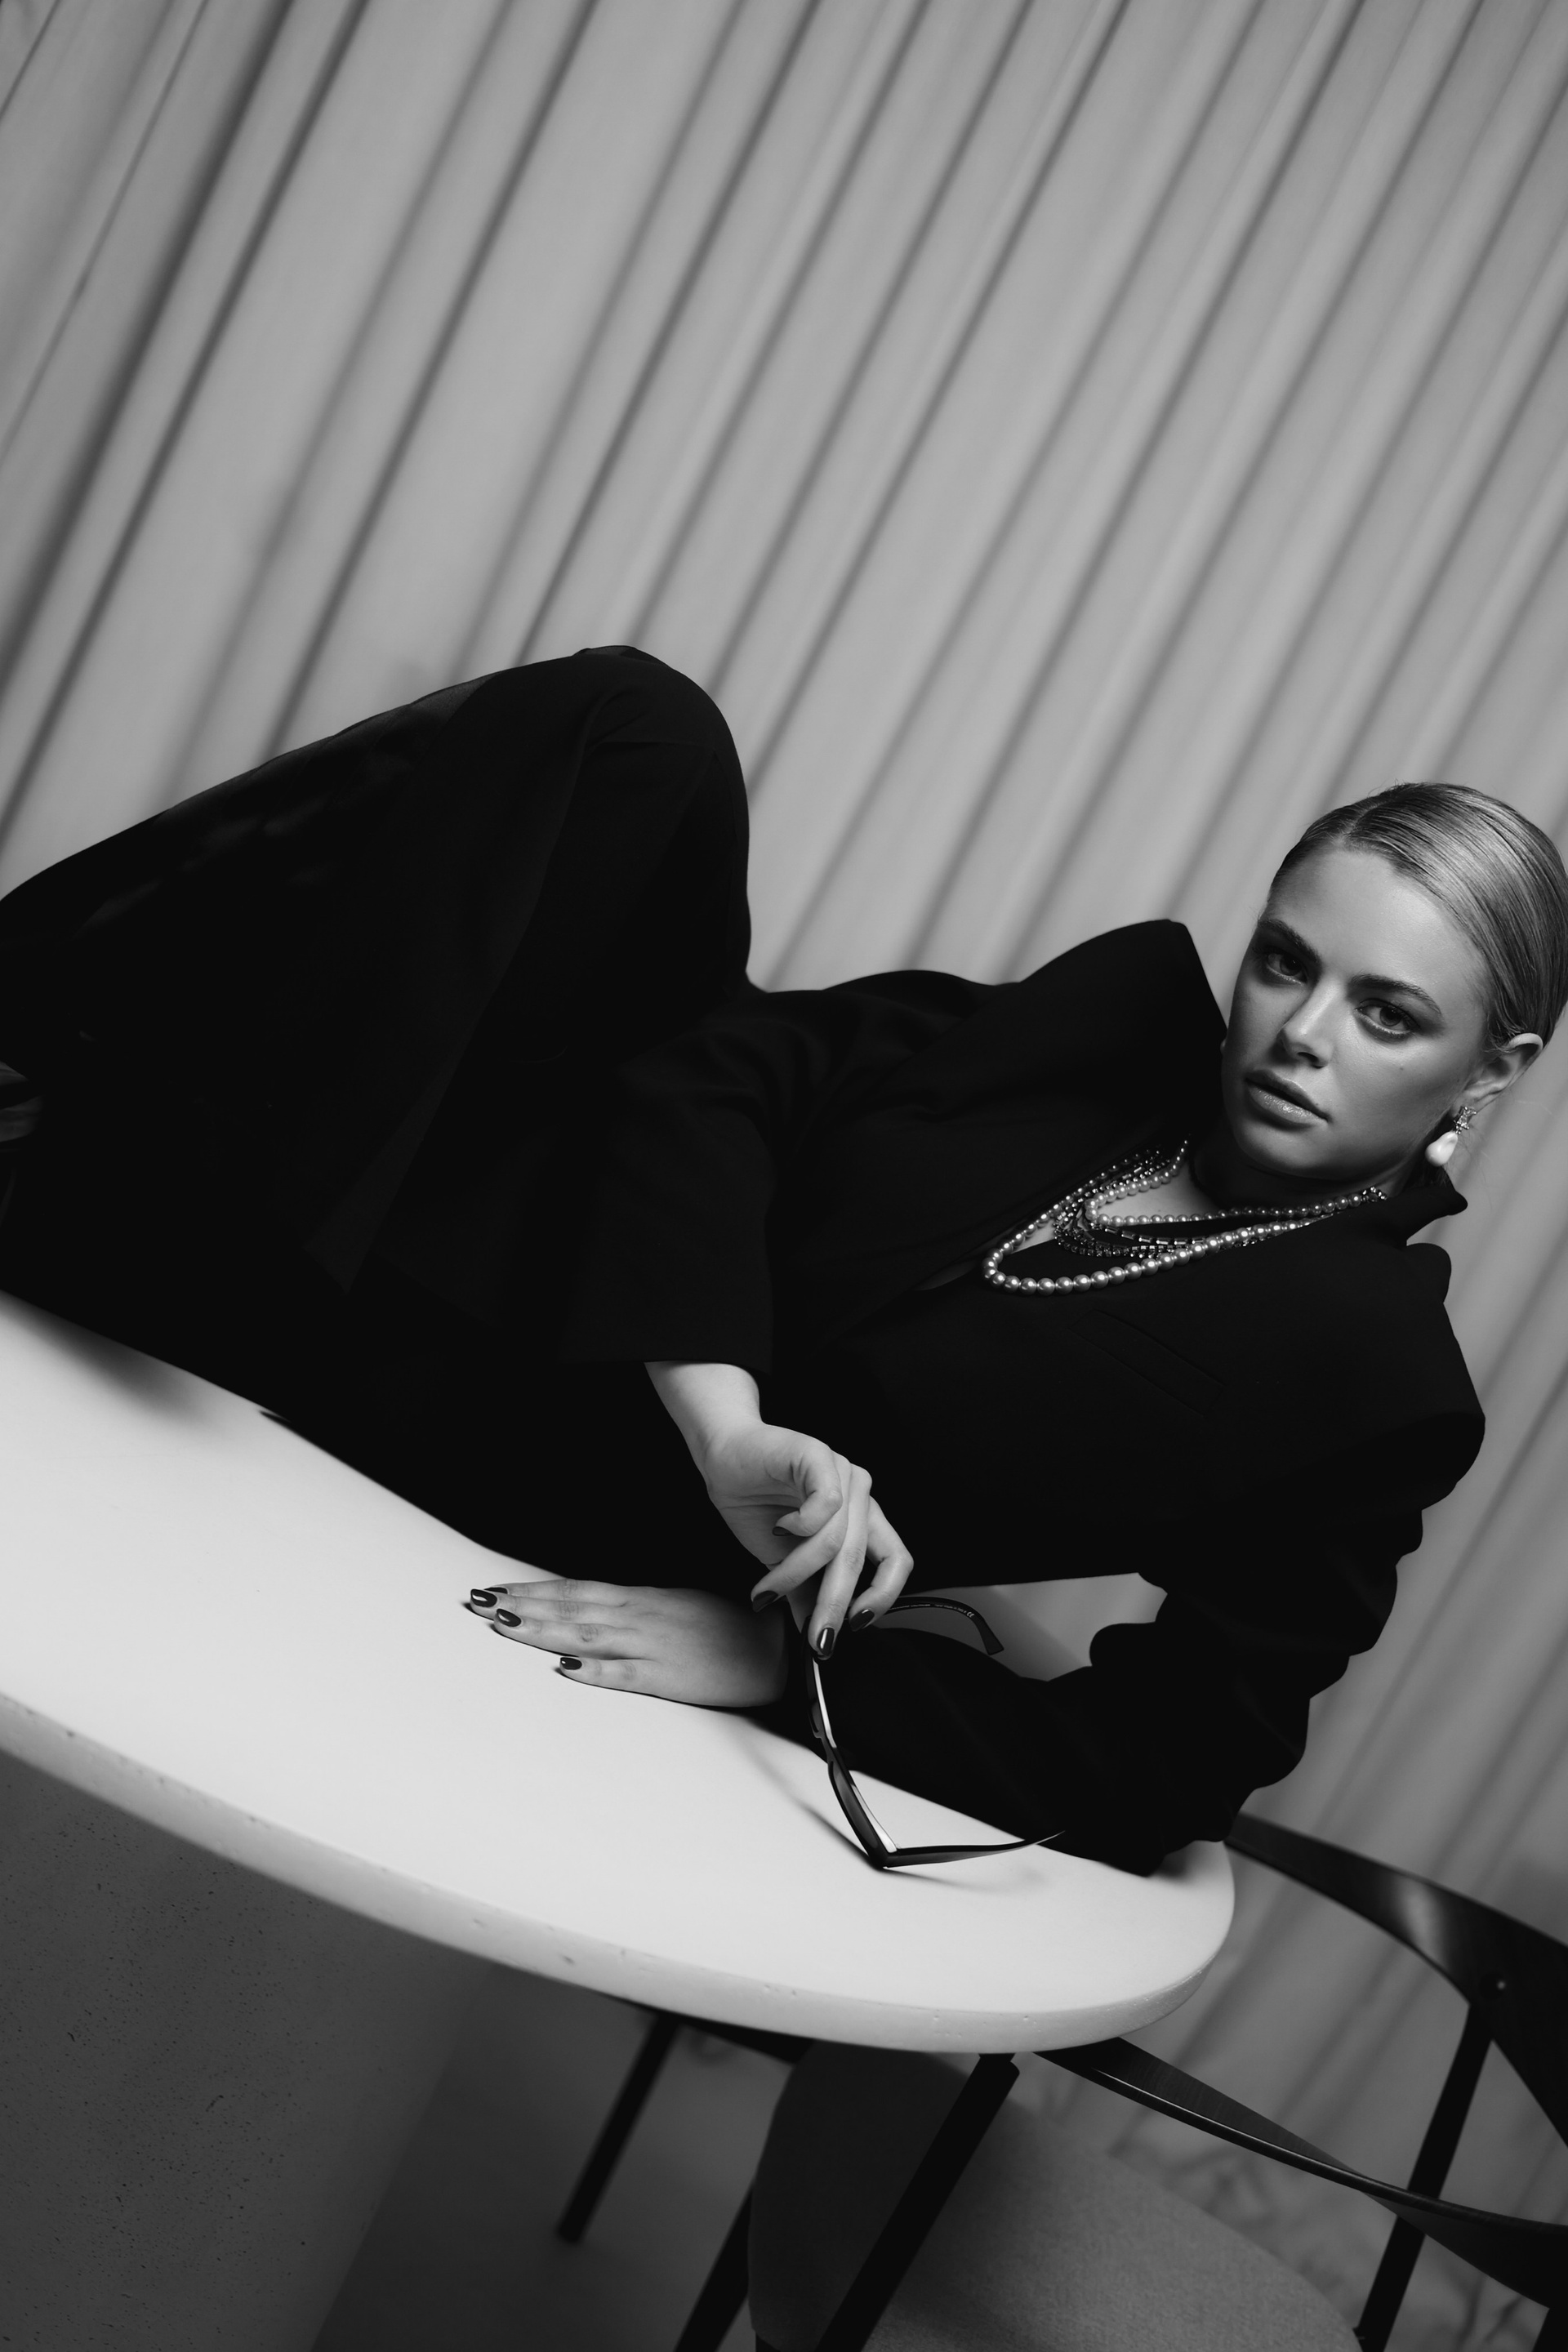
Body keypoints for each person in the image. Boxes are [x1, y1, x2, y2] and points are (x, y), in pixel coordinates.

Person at [0, 647, 1561, 1873]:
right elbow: (717, 1073)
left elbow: (1165, 1763)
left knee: (131, 1186)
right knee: (637, 727)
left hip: (511, 1439)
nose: (1299, 1033)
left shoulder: (1374, 1383)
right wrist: (725, 1416)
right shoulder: (1102, 1045)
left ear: (1493, 1071)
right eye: (1286, 962)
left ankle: (122, 1174)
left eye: (1387, 1013)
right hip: (537, 1241)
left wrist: (779, 1668)